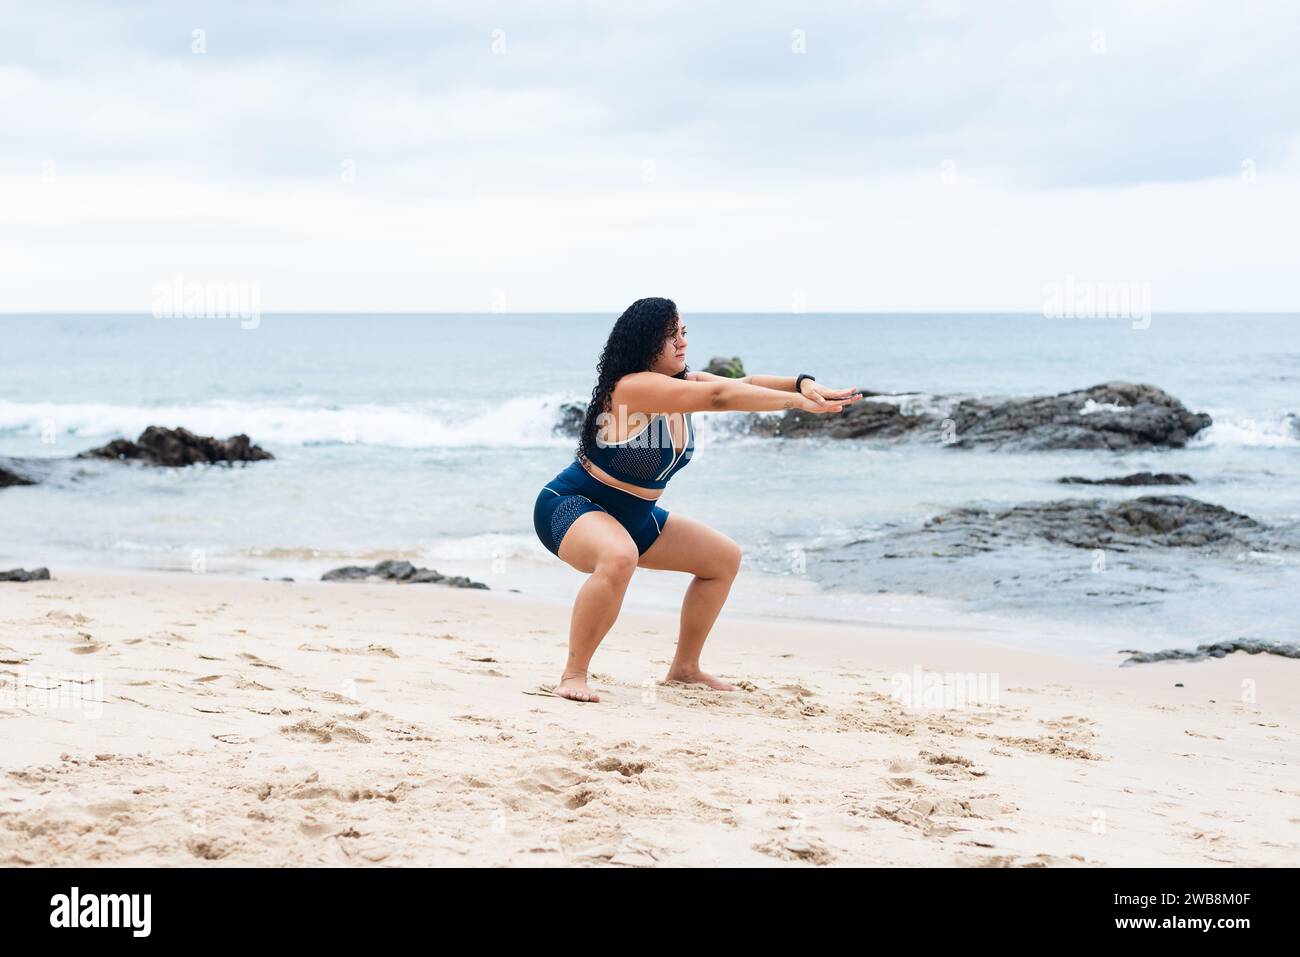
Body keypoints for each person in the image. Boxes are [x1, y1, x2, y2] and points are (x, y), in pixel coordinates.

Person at [532, 297, 863, 702]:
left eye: (684, 333)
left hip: (635, 517)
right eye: (671, 336)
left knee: (722, 559)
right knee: (619, 557)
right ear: (645, 342)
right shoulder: (631, 387)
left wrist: (802, 384)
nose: (682, 343)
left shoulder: (684, 384)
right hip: (572, 506)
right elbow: (720, 398)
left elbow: (743, 386)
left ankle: (685, 669)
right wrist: (796, 403)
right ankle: (573, 675)